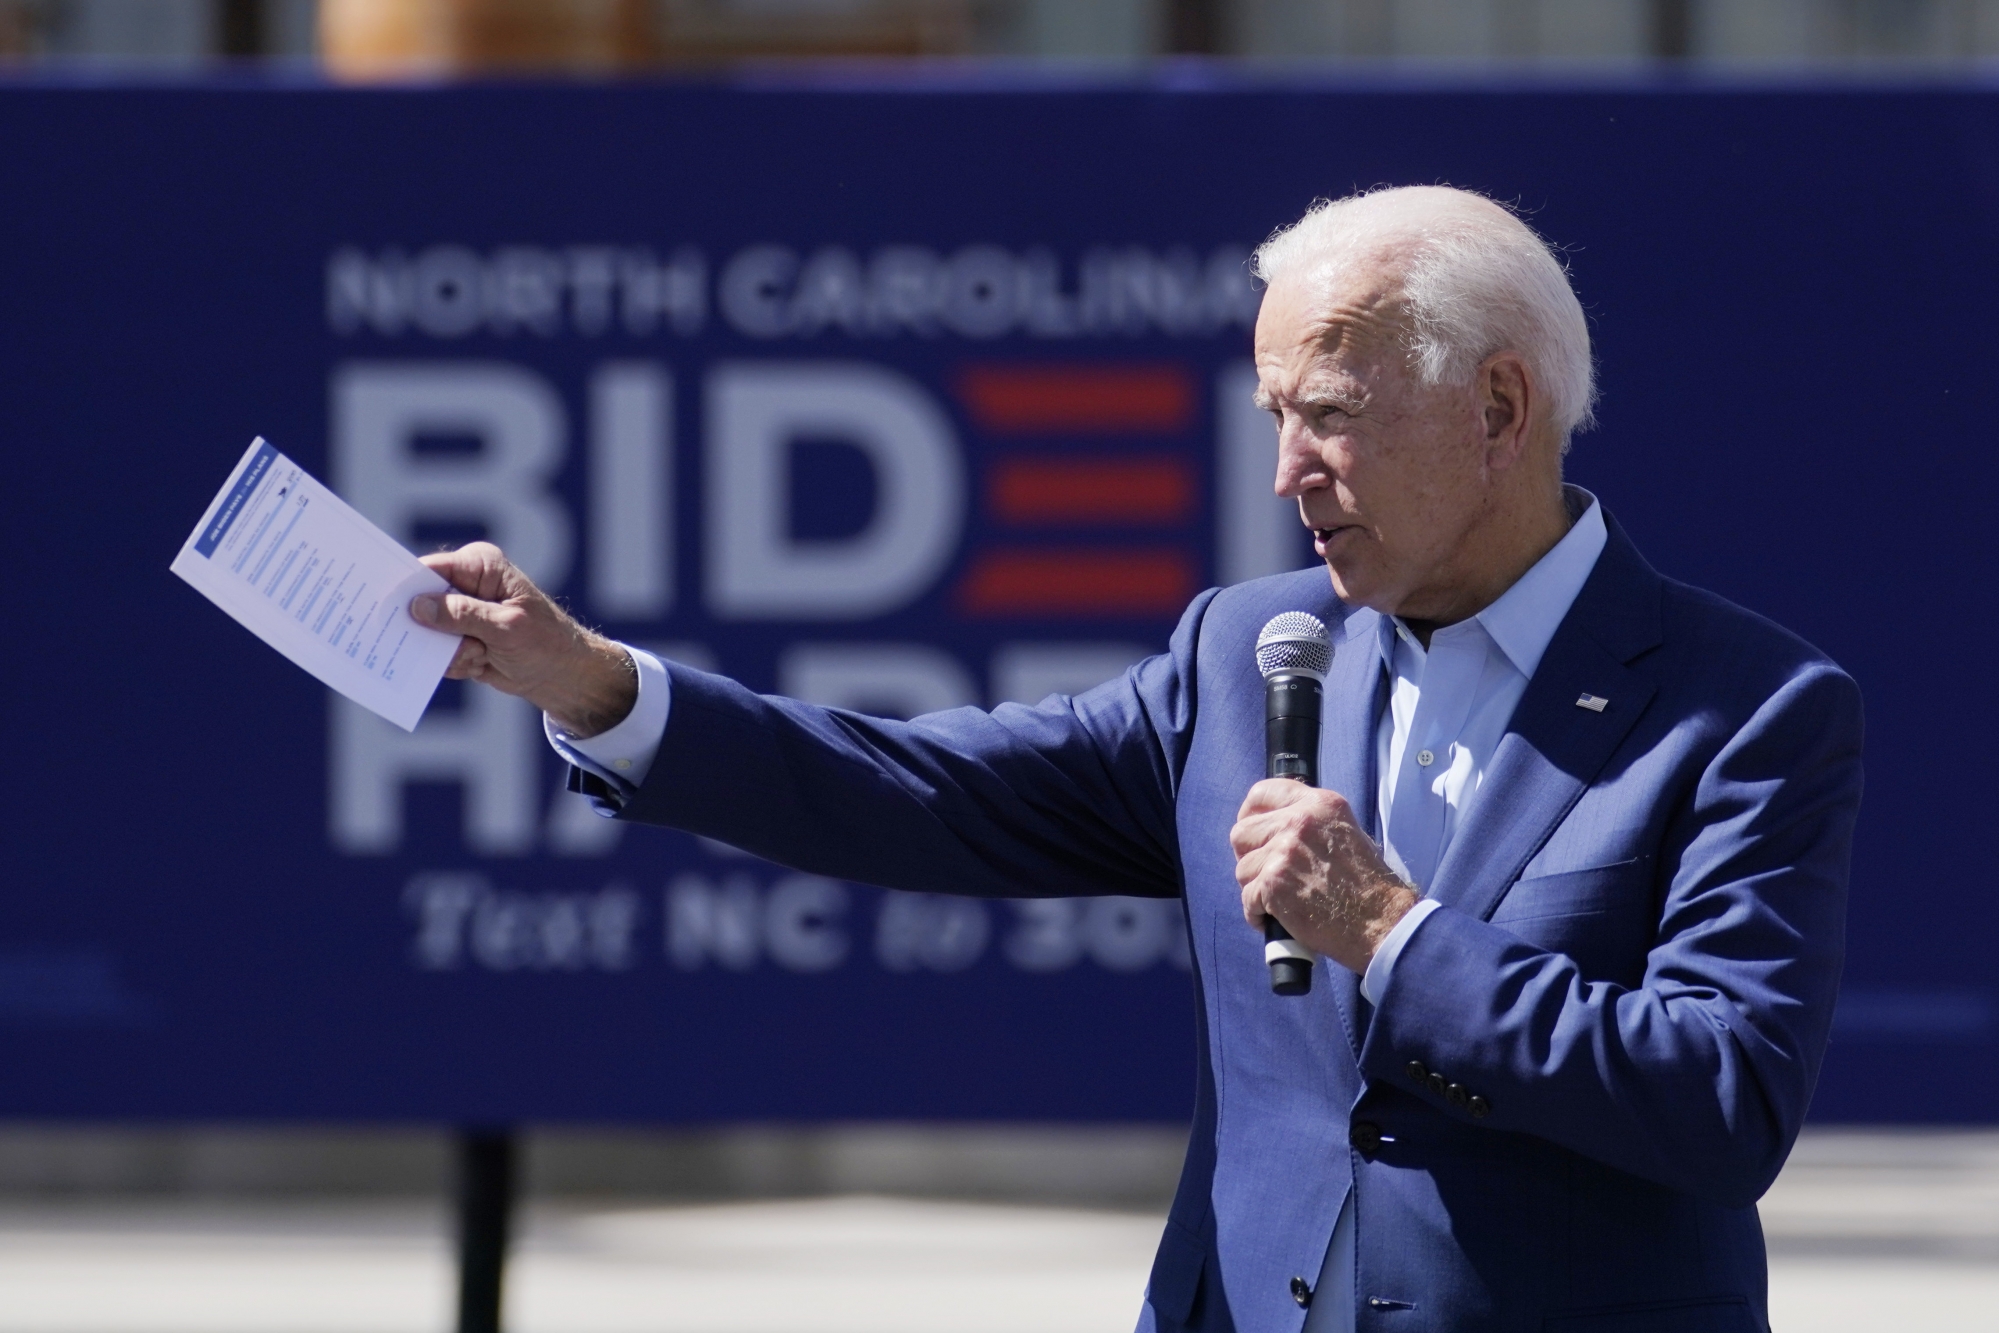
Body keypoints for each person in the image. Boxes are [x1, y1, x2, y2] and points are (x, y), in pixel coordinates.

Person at [408, 186, 1862, 1333]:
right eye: (1276, 418)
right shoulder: (1246, 651)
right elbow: (924, 792)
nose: (1288, 471)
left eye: (1333, 416)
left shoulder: (1748, 705)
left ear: (1497, 407)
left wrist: (1396, 936)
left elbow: (1721, 1097)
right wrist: (595, 685)